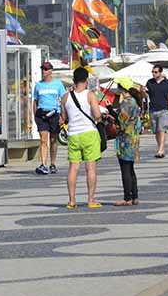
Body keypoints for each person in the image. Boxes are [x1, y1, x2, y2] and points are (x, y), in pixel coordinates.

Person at [60, 67, 102, 210]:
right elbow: (97, 115)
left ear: (74, 80)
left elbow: (64, 118)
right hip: (89, 133)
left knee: (73, 168)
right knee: (90, 168)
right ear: (86, 80)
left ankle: (71, 200)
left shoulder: (65, 97)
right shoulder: (90, 95)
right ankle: (91, 200)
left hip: (73, 134)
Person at [111, 77, 143, 206]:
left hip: (125, 139)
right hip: (134, 139)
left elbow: (121, 121)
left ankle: (127, 197)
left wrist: (110, 111)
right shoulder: (135, 101)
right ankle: (134, 196)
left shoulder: (126, 103)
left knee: (125, 169)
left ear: (122, 89)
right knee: (130, 169)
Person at [33, 61, 66, 175]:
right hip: (42, 114)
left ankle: (53, 163)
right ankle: (43, 163)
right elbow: (35, 101)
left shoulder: (58, 84)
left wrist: (62, 116)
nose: (44, 71)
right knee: (43, 139)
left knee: (53, 139)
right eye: (43, 69)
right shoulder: (38, 85)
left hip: (54, 114)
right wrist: (35, 115)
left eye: (46, 69)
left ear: (51, 71)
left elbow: (63, 100)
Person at [145, 64, 168, 158]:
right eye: (153, 72)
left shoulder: (167, 83)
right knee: (156, 131)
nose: (154, 74)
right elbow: (146, 95)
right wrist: (142, 92)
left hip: (164, 108)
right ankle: (161, 147)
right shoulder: (150, 82)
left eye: (155, 72)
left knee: (162, 129)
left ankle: (160, 150)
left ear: (160, 72)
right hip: (152, 108)